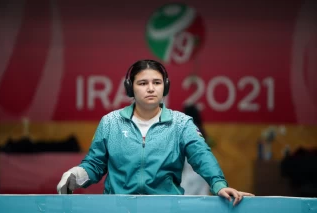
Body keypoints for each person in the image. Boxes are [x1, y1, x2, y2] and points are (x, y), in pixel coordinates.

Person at [57, 59, 254, 206]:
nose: (151, 89)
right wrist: (77, 175)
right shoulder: (110, 122)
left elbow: (201, 155)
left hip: (167, 209)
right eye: (142, 83)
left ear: (165, 86)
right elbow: (95, 164)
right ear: (130, 88)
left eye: (157, 83)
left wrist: (218, 184)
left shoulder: (181, 124)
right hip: (116, 208)